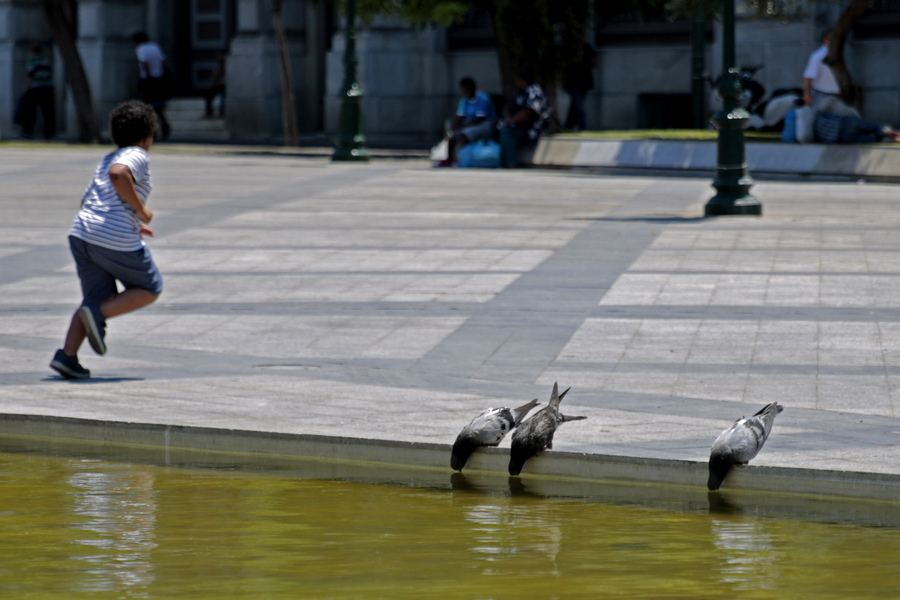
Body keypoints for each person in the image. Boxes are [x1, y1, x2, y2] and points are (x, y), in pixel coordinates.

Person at [49, 100, 163, 380]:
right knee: (150, 287)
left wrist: (130, 225)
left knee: (95, 298)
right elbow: (119, 175)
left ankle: (67, 356)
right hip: (111, 236)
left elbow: (89, 198)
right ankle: (96, 314)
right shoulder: (135, 154)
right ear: (147, 138)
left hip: (83, 232)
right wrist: (141, 212)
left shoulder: (107, 157)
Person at [498, 67, 551, 168]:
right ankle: (497, 162)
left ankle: (511, 163)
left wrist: (510, 121)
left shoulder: (534, 92)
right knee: (496, 129)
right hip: (518, 126)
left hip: (532, 128)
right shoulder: (521, 92)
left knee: (507, 132)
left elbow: (528, 112)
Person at [802, 29, 858, 118]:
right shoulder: (818, 56)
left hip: (836, 96)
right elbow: (808, 76)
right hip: (822, 95)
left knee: (849, 117)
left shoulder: (835, 55)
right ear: (826, 40)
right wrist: (807, 94)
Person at [446, 77, 496, 162]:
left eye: (466, 89)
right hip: (469, 123)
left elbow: (480, 119)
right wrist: (456, 125)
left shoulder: (482, 99)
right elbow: (461, 116)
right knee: (453, 135)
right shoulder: (464, 100)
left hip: (485, 123)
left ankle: (462, 158)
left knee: (466, 133)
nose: (465, 92)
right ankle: (449, 159)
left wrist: (463, 126)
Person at [132, 32, 171, 139]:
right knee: (158, 106)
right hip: (159, 78)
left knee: (148, 106)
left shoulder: (141, 49)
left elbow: (144, 64)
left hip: (148, 80)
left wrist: (146, 78)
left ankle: (153, 129)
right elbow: (163, 62)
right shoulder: (155, 46)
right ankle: (163, 125)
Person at [17, 44, 55, 139]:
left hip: (35, 87)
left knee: (30, 111)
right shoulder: (46, 59)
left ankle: (27, 132)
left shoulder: (32, 59)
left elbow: (30, 74)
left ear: (32, 51)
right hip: (48, 87)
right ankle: (49, 132)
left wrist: (25, 88)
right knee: (47, 111)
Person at [814, 111, 900, 144]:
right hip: (845, 122)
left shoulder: (812, 134)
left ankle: (884, 139)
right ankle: (886, 131)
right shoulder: (818, 116)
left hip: (841, 136)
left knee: (869, 139)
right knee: (872, 126)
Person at [564, 43, 596, 131]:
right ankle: (581, 127)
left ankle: (568, 126)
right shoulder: (570, 48)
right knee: (578, 107)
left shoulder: (586, 48)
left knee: (575, 107)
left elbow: (593, 62)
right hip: (573, 83)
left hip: (583, 83)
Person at [204, 54, 226, 119]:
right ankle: (209, 112)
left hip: (225, 87)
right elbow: (214, 79)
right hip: (218, 86)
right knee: (208, 92)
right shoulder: (217, 68)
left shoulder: (227, 68)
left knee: (222, 96)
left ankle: (222, 112)